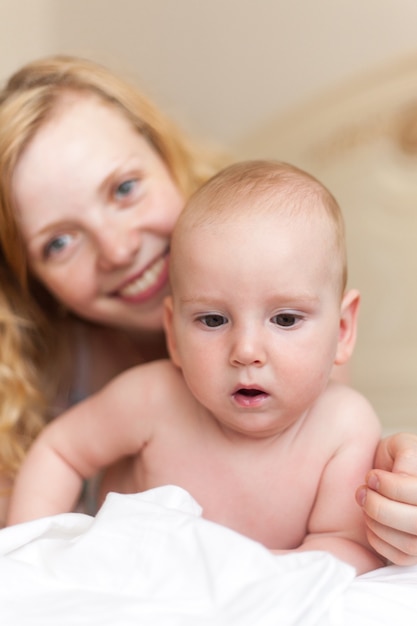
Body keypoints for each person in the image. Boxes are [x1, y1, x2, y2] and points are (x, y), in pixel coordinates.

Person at [0, 56, 416, 566]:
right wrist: (24, 566)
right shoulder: (48, 389)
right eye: (59, 241)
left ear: (168, 158)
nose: (116, 249)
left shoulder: (317, 394)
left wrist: (389, 478)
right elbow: (56, 459)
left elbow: (329, 524)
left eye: (124, 188)